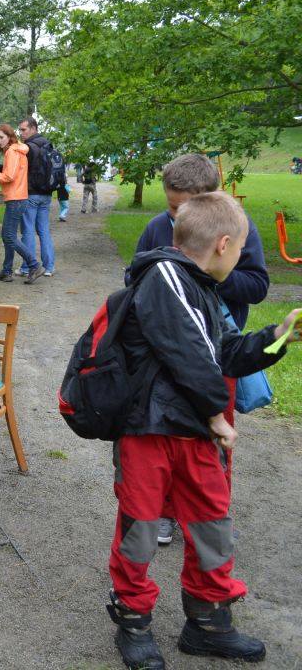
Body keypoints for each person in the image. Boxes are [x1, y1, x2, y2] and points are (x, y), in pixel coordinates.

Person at [107, 191, 300, 669]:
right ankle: (133, 621)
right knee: (141, 528)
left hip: (193, 434)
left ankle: (208, 623)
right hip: (149, 431)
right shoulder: (162, 276)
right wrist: (217, 414)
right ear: (223, 244)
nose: (240, 260)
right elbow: (187, 353)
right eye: (241, 250)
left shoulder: (202, 288)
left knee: (212, 524)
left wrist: (277, 337)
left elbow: (226, 352)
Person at [124, 153, 269, 546]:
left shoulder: (236, 228)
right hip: (162, 361)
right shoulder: (158, 227)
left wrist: (204, 273)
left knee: (213, 440)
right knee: (163, 437)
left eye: (182, 208)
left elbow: (257, 286)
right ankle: (166, 513)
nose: (176, 218)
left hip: (218, 354)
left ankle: (210, 514)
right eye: (171, 207)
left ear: (210, 200)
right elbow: (134, 278)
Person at [0, 124, 45, 283]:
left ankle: (34, 265)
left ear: (10, 137)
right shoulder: (18, 150)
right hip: (18, 197)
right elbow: (12, 174)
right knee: (7, 236)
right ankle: (6, 271)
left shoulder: (12, 151)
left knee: (9, 236)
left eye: (1, 137)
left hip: (16, 199)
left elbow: (9, 176)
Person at [16, 117, 57, 276]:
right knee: (44, 231)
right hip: (46, 194)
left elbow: (17, 170)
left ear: (33, 129)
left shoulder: (28, 148)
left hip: (31, 194)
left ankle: (28, 267)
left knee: (28, 231)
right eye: (19, 130)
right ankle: (49, 267)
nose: (20, 133)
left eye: (23, 129)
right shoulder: (48, 145)